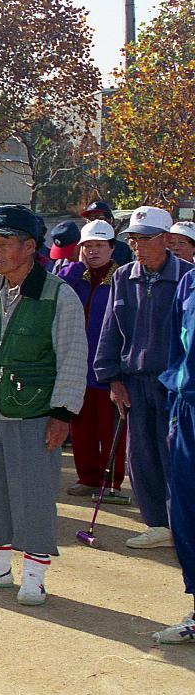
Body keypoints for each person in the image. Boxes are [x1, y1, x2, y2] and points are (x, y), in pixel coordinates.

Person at [0, 205, 87, 606]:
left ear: (30, 247)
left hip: (36, 412)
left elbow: (73, 356)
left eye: (5, 242)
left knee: (33, 494)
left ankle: (34, 575)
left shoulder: (58, 294)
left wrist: (62, 413)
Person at [95, 206, 193, 550]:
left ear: (166, 240)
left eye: (145, 238)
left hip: (177, 384)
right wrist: (111, 377)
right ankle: (157, 523)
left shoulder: (188, 276)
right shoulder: (123, 276)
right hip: (134, 380)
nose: (137, 245)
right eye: (133, 239)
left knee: (176, 455)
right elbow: (110, 329)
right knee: (141, 454)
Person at [58, 220, 126, 499]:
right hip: (76, 364)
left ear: (112, 248)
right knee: (81, 424)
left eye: (99, 245)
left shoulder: (122, 279)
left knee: (110, 427)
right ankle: (87, 476)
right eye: (87, 246)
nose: (93, 251)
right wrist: (70, 270)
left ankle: (112, 481)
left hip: (109, 366)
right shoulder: (72, 276)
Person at [156, 261, 195, 644]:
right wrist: (173, 411)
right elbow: (175, 351)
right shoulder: (189, 281)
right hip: (187, 410)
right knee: (186, 511)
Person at [83, 200, 132, 266]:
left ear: (109, 220)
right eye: (91, 218)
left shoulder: (122, 248)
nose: (95, 222)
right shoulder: (79, 248)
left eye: (100, 218)